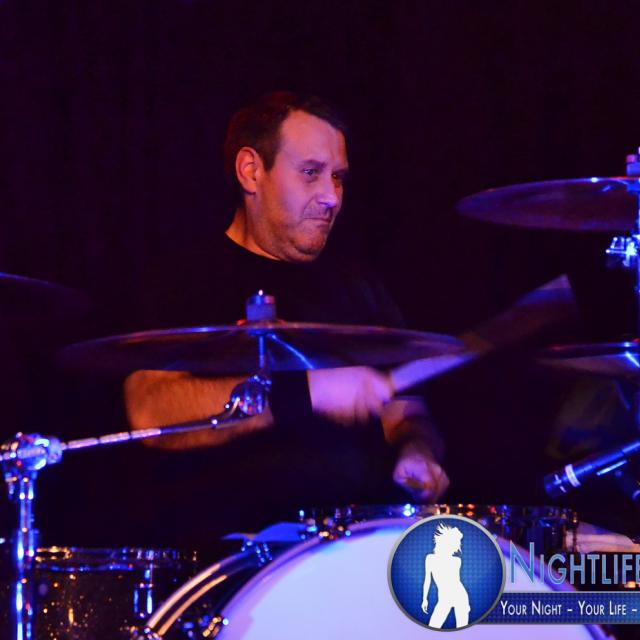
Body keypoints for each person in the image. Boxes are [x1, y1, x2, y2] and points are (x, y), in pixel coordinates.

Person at [124, 91, 449, 546]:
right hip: (233, 558)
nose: (331, 197)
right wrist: (309, 392)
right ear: (251, 171)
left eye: (338, 178)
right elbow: (150, 412)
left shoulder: (360, 287)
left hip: (358, 550)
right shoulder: (185, 280)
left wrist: (417, 450)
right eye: (311, 173)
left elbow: (405, 412)